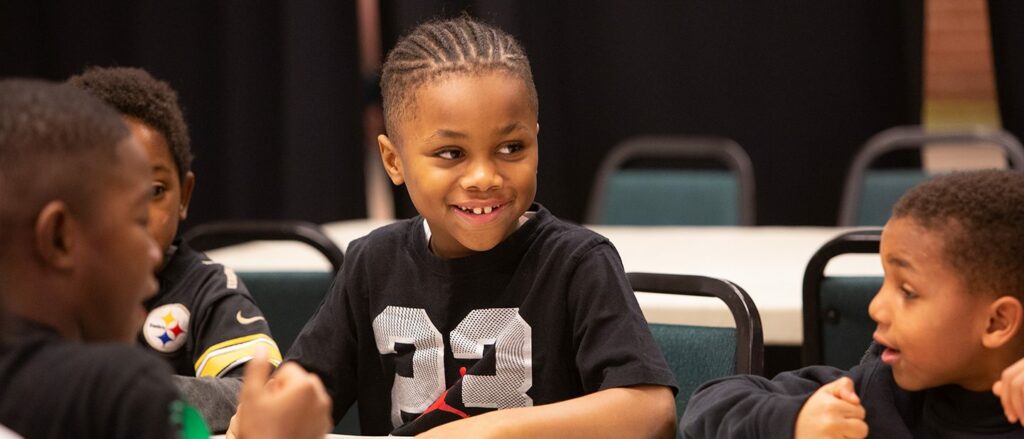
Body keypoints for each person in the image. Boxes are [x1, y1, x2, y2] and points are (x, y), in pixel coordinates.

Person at [258, 16, 678, 438]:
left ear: (536, 141)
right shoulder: (373, 263)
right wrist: (275, 408)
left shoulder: (576, 264)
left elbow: (651, 410)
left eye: (511, 148)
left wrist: (488, 432)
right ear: (393, 160)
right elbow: (298, 393)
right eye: (451, 153)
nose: (483, 177)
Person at [0, 79, 331, 439]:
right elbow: (264, 401)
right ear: (60, 238)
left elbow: (255, 383)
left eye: (157, 194)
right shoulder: (126, 395)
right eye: (137, 221)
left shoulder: (208, 287)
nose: (151, 249)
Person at [681, 169, 1024, 438]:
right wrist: (795, 421)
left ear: (996, 322)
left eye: (908, 291)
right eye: (883, 281)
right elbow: (708, 406)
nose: (875, 307)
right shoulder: (872, 396)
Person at [67, 67, 280, 430]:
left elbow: (258, 393)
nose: (135, 211)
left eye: (155, 191)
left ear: (186, 195)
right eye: (108, 188)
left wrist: (126, 393)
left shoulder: (208, 289)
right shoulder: (44, 284)